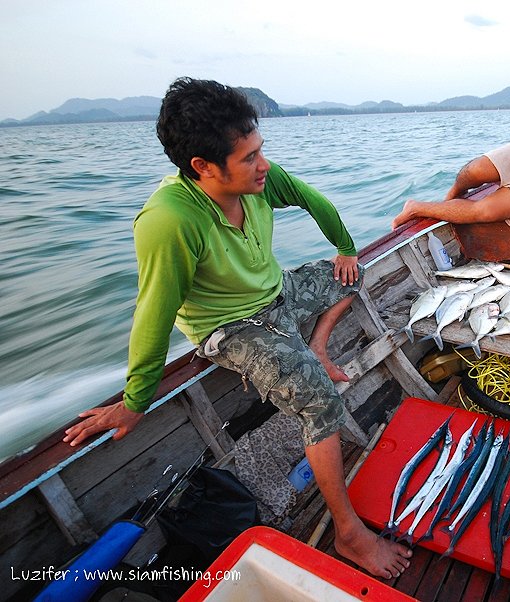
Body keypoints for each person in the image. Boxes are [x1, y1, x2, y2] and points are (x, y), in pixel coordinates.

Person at [63, 77, 411, 579]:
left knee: (356, 279)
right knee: (318, 399)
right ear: (203, 167)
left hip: (277, 292)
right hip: (230, 327)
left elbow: (318, 202)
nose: (263, 165)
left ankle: (314, 346)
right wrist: (135, 402)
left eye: (260, 151)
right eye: (249, 157)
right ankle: (349, 533)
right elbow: (154, 313)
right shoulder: (168, 221)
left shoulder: (260, 181)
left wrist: (346, 248)